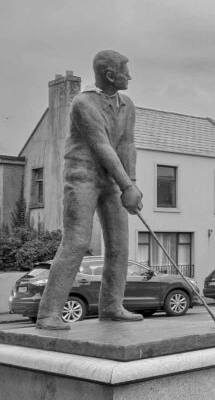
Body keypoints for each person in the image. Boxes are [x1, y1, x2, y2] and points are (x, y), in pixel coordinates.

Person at [36, 50, 144, 330]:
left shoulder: (127, 105)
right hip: (83, 176)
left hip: (113, 180)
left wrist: (130, 183)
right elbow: (101, 146)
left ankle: (111, 306)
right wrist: (127, 185)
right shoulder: (83, 104)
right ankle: (49, 313)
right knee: (77, 242)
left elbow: (127, 145)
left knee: (119, 244)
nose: (129, 76)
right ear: (110, 74)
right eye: (125, 71)